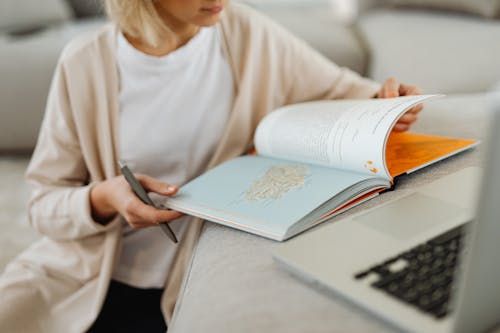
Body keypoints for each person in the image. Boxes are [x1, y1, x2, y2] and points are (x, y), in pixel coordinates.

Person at [0, 0, 423, 332]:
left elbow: (343, 92)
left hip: (192, 279)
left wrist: (387, 102)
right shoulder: (84, 64)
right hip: (85, 279)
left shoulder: (249, 34)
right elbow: (42, 203)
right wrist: (103, 198)